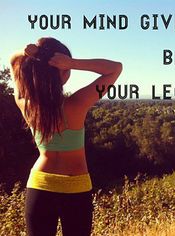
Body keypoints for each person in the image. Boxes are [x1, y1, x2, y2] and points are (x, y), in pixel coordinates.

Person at [10, 37, 122, 236]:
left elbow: (13, 61)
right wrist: (73, 63)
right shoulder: (77, 104)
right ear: (62, 71)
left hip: (39, 184)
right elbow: (115, 68)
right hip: (75, 187)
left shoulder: (27, 105)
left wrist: (34, 54)